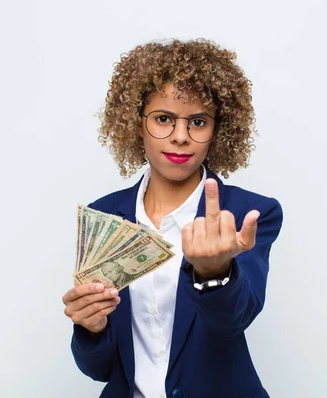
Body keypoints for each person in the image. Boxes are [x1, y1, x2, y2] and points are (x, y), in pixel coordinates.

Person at [62, 38, 284, 398]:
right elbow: (100, 369)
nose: (180, 137)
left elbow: (236, 318)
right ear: (136, 123)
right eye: (163, 119)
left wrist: (214, 273)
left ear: (218, 130)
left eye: (198, 122)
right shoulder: (106, 215)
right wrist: (90, 327)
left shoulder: (248, 215)